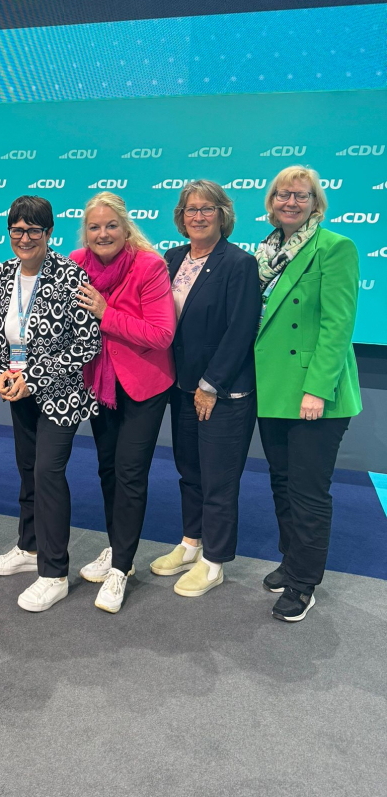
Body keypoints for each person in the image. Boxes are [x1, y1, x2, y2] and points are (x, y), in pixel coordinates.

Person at [254, 166, 361, 622]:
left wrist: (317, 388)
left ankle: (303, 583)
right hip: (272, 388)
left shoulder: (335, 247)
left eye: (301, 195)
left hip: (315, 394)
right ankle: (291, 559)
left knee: (308, 492)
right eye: (283, 195)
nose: (290, 202)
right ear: (271, 202)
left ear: (316, 202)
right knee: (282, 484)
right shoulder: (265, 252)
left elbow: (338, 326)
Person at [0, 196, 101, 613]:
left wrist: (33, 378)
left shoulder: (71, 275)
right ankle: (29, 546)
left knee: (48, 474)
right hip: (19, 391)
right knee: (27, 470)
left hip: (59, 396)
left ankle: (54, 573)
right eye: (17, 230)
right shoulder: (5, 273)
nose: (24, 238)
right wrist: (1, 371)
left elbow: (88, 344)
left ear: (49, 232)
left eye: (34, 230)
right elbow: (3, 335)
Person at [150, 180, 261, 597]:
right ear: (181, 217)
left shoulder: (239, 262)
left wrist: (211, 385)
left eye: (207, 208)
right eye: (190, 209)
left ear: (222, 214)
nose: (198, 216)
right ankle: (190, 544)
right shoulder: (173, 258)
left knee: (218, 479)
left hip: (221, 392)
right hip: (181, 387)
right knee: (190, 472)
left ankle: (214, 561)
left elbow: (241, 330)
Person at [70, 192, 176, 614]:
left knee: (130, 473)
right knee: (108, 469)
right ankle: (119, 549)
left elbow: (161, 335)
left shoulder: (149, 266)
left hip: (143, 384)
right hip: (100, 382)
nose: (103, 233)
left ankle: (121, 568)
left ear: (125, 227)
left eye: (111, 225)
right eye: (94, 227)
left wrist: (105, 311)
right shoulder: (76, 263)